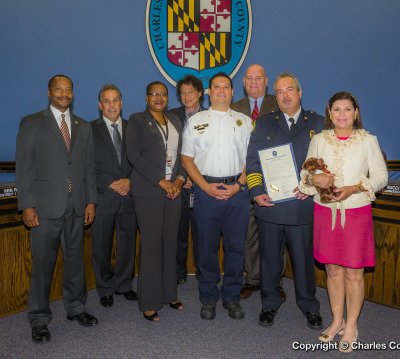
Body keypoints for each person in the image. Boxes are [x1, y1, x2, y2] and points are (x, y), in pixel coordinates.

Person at [299, 92, 388, 352]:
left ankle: (351, 325)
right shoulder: (319, 140)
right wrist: (315, 179)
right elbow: (306, 171)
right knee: (333, 270)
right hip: (325, 212)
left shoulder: (368, 140)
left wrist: (356, 188)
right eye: (336, 109)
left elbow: (381, 177)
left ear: (356, 113)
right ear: (329, 113)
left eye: (347, 109)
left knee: (354, 272)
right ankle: (337, 320)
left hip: (356, 213)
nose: (341, 114)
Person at [16, 74, 98, 344]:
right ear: (49, 92)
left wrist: (90, 201)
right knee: (42, 266)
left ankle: (76, 308)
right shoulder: (31, 124)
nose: (64, 94)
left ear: (73, 94)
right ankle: (39, 319)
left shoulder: (83, 126)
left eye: (69, 90)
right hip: (44, 208)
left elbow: (88, 168)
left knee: (75, 262)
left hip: (76, 207)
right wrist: (27, 205)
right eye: (59, 89)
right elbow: (24, 169)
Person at [246, 73, 324, 329]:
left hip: (302, 206)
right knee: (269, 260)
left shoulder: (318, 123)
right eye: (279, 92)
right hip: (270, 205)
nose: (285, 95)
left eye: (290, 90)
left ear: (300, 93)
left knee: (303, 261)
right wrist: (256, 191)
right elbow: (253, 161)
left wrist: (311, 187)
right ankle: (269, 304)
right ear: (275, 96)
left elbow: (326, 166)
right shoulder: (265, 123)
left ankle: (309, 305)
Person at [182, 72, 252, 320]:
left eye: (226, 87)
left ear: (233, 92)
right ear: (209, 92)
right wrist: (203, 186)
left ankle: (232, 297)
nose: (222, 91)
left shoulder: (245, 121)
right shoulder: (195, 121)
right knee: (206, 249)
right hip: (205, 192)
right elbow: (186, 158)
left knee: (235, 249)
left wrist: (239, 185)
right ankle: (208, 298)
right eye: (216, 87)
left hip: (237, 193)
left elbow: (252, 160)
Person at [126, 81, 185, 321]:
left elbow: (183, 154)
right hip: (149, 190)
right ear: (147, 97)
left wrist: (179, 180)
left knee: (170, 243)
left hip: (174, 191)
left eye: (163, 94)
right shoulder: (137, 120)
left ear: (168, 99)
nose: (159, 97)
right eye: (154, 94)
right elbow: (134, 155)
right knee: (151, 246)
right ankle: (149, 301)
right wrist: (162, 181)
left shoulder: (175, 121)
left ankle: (169, 293)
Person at [231, 64, 281, 300]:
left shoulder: (278, 103)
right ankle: (251, 279)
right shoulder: (234, 108)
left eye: (258, 78)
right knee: (248, 232)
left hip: (275, 179)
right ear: (243, 82)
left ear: (266, 81)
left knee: (274, 235)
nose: (253, 83)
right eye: (249, 79)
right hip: (245, 178)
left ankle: (274, 281)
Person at [91, 84, 138, 308]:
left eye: (116, 100)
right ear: (100, 105)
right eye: (107, 101)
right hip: (104, 196)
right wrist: (110, 183)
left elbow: (142, 163)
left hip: (129, 196)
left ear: (121, 103)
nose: (112, 105)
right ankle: (105, 287)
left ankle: (124, 284)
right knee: (101, 245)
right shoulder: (89, 130)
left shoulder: (133, 129)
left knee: (128, 242)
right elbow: (85, 166)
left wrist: (130, 181)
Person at [169, 75, 206, 284]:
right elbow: (168, 151)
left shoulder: (210, 116)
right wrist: (180, 178)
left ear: (200, 93)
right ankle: (179, 273)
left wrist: (195, 177)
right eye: (183, 93)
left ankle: (203, 273)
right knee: (179, 233)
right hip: (178, 186)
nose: (187, 96)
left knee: (203, 235)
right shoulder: (171, 116)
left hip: (201, 185)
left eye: (191, 92)